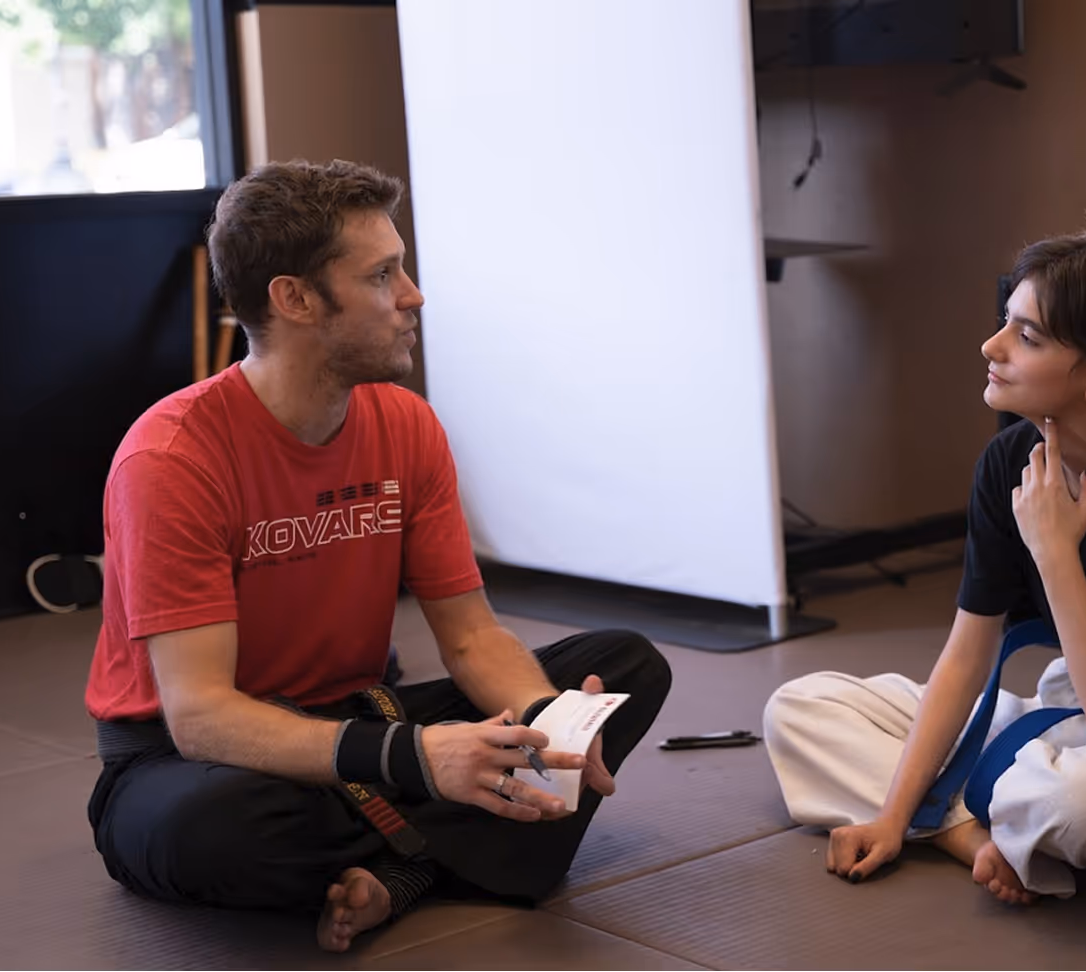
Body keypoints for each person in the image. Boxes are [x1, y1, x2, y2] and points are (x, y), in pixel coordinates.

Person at [83, 159, 672, 951]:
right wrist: (423, 760)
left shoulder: (405, 424)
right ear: (294, 299)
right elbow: (201, 719)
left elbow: (470, 637)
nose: (413, 295)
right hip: (201, 759)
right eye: (383, 275)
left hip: (360, 714)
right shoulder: (173, 458)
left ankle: (402, 872)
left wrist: (543, 724)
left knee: (626, 666)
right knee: (216, 828)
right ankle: (450, 847)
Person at [763, 227, 1086, 903]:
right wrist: (888, 816)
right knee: (800, 707)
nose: (991, 347)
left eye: (1026, 337)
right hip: (1065, 708)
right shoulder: (1009, 464)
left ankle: (996, 811)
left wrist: (1055, 551)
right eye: (1006, 323)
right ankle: (967, 832)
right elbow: (965, 659)